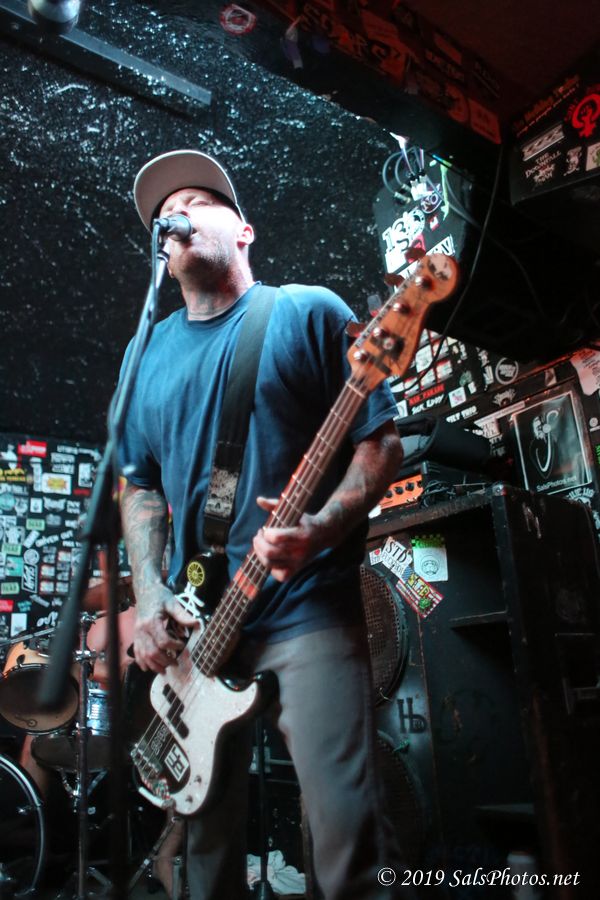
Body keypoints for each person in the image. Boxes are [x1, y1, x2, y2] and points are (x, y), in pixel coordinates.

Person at [118, 149, 414, 900]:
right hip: (200, 627)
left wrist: (321, 526)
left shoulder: (305, 311)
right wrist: (149, 596)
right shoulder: (145, 354)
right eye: (164, 214)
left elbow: (380, 444)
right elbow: (139, 485)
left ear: (243, 230)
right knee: (206, 852)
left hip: (306, 608)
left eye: (194, 201)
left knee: (346, 839)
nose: (174, 216)